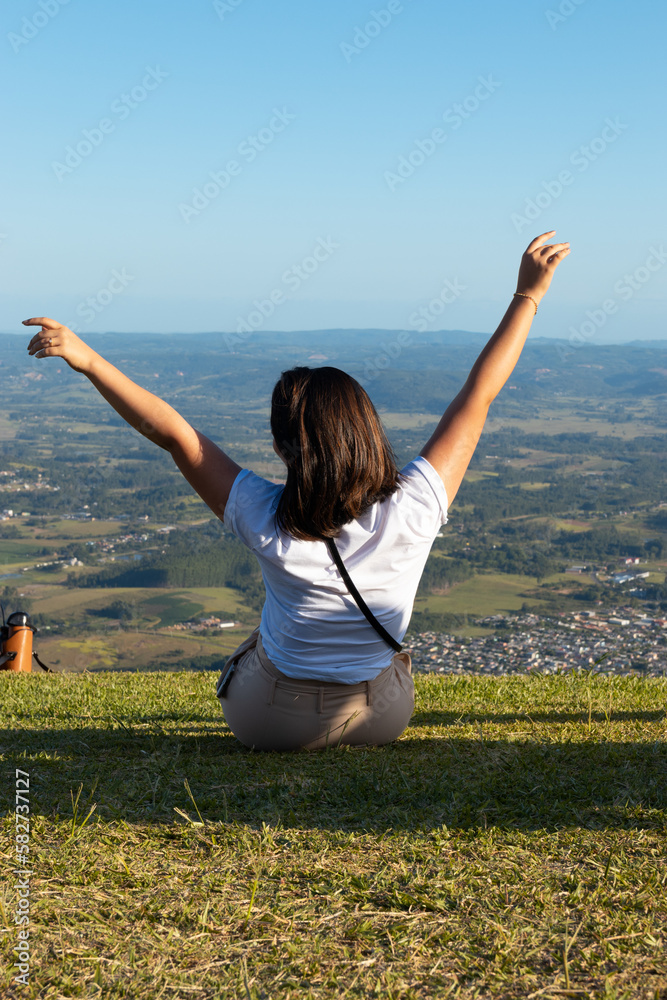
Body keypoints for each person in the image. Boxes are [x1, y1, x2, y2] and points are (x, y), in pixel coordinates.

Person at [24, 230, 570, 751]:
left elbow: (173, 434)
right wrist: (528, 295)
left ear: (287, 448)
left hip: (270, 722)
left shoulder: (262, 514)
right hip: (380, 718)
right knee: (387, 659)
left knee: (256, 646)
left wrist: (88, 359)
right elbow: (479, 396)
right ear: (367, 432)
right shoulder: (417, 505)